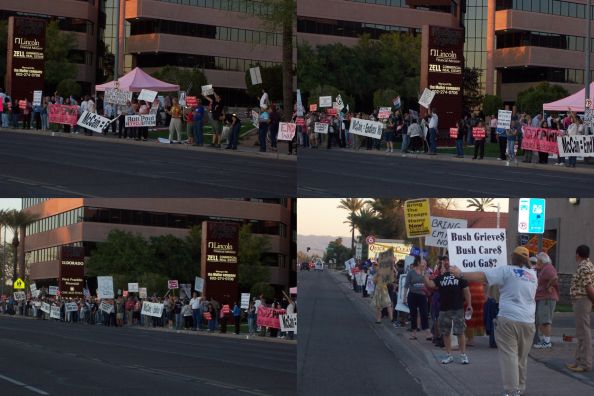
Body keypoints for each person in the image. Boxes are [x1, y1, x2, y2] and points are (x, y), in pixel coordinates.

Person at [450, 246, 537, 396]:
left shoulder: (506, 271)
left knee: (509, 355)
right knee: (522, 358)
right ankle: (520, 388)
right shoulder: (533, 275)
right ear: (527, 259)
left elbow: (482, 277)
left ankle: (511, 390)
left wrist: (460, 274)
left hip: (508, 319)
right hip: (528, 321)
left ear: (513, 258)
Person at [422, 255, 471, 364]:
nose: (446, 262)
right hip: (444, 309)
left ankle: (463, 355)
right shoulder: (441, 277)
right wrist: (424, 275)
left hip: (458, 308)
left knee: (460, 332)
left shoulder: (460, 276)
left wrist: (469, 304)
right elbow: (430, 285)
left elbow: (466, 291)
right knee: (445, 333)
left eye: (448, 260)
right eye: (445, 261)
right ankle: (448, 355)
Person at [566, 245, 594, 373]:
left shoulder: (584, 267)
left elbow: (588, 286)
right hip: (581, 300)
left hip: (582, 300)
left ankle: (585, 364)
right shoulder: (587, 265)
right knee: (581, 332)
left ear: (577, 254)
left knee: (584, 333)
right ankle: (578, 361)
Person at [533, 252, 559, 349]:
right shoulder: (545, 268)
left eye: (538, 260)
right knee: (542, 320)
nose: (537, 262)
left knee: (545, 321)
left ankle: (546, 342)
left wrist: (548, 286)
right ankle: (544, 340)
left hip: (547, 298)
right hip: (543, 298)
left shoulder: (548, 268)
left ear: (542, 260)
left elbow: (555, 278)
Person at [403, 256, 431, 340]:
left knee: (424, 313)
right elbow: (406, 285)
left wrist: (425, 275)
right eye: (423, 262)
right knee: (413, 314)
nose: (425, 263)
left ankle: (428, 332)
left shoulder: (426, 272)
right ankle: (414, 333)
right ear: (418, 262)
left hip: (422, 295)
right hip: (412, 295)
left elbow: (429, 284)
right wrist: (404, 297)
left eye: (425, 262)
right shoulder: (411, 273)